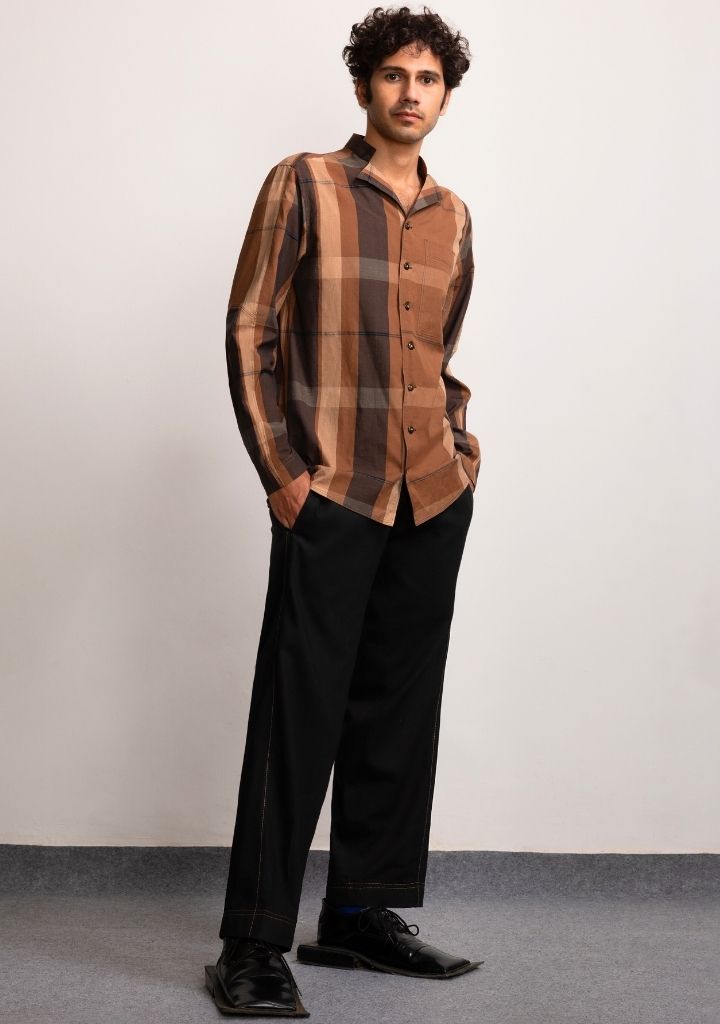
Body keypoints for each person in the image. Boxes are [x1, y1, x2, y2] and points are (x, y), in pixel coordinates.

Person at [205, 5, 484, 1017]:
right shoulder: (305, 183)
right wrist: (282, 470)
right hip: (332, 489)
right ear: (364, 85)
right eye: (394, 75)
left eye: (428, 79)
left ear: (445, 96)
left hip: (430, 492)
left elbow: (439, 353)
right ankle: (250, 943)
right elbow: (250, 328)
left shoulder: (454, 216)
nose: (412, 93)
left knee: (398, 709)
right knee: (298, 709)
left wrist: (460, 451)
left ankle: (362, 915)